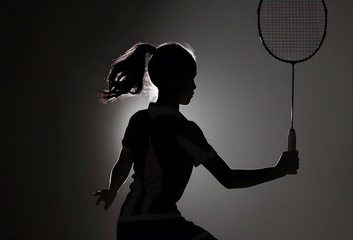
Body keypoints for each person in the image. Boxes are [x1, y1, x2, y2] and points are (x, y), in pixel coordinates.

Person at [93, 42, 299, 240]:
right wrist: (279, 170)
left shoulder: (138, 120)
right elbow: (228, 179)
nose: (194, 86)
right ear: (175, 81)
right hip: (159, 223)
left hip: (127, 224)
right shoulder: (184, 129)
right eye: (190, 79)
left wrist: (112, 192)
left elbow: (122, 166)